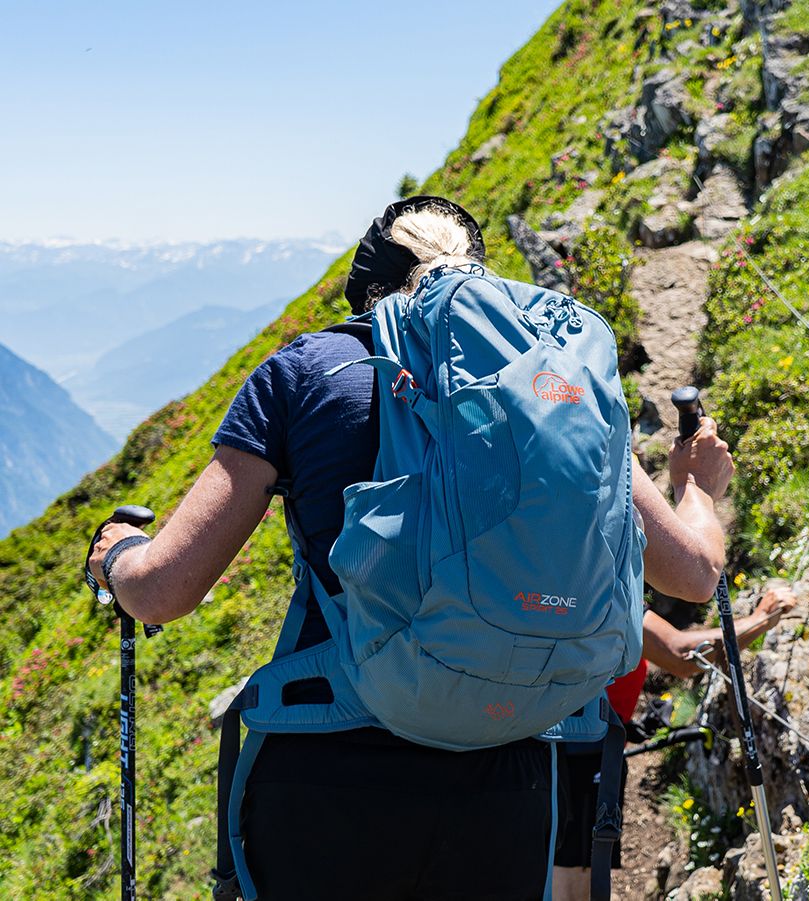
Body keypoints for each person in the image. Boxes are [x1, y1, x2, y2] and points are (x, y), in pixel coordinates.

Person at [87, 196, 735, 901]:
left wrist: (117, 554)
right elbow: (695, 571)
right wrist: (697, 485)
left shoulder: (310, 370)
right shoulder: (552, 391)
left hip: (329, 773)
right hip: (507, 785)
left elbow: (165, 588)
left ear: (370, 293)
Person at [553, 585, 797, 901]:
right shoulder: (604, 594)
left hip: (555, 748)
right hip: (579, 757)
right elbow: (683, 654)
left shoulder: (558, 584)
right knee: (574, 884)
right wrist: (761, 618)